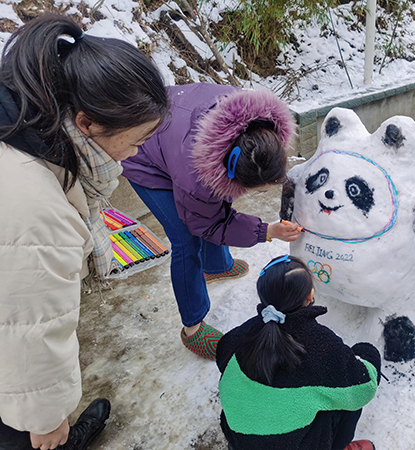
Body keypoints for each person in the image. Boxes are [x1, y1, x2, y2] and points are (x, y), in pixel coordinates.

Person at [0, 14, 169, 450]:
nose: (138, 152)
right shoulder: (36, 207)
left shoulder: (25, 130)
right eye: (137, 139)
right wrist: (45, 417)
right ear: (88, 124)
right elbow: (31, 325)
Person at [121, 83, 302, 361]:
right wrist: (267, 231)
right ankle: (192, 329)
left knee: (214, 199)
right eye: (261, 189)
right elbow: (208, 223)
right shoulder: (196, 180)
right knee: (185, 238)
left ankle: (216, 265)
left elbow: (218, 201)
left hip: (170, 131)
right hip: (143, 156)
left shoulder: (251, 122)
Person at [216, 255, 381, 450]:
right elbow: (365, 386)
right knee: (347, 392)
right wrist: (365, 353)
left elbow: (222, 358)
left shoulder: (237, 336)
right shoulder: (321, 347)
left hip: (240, 440)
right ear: (310, 296)